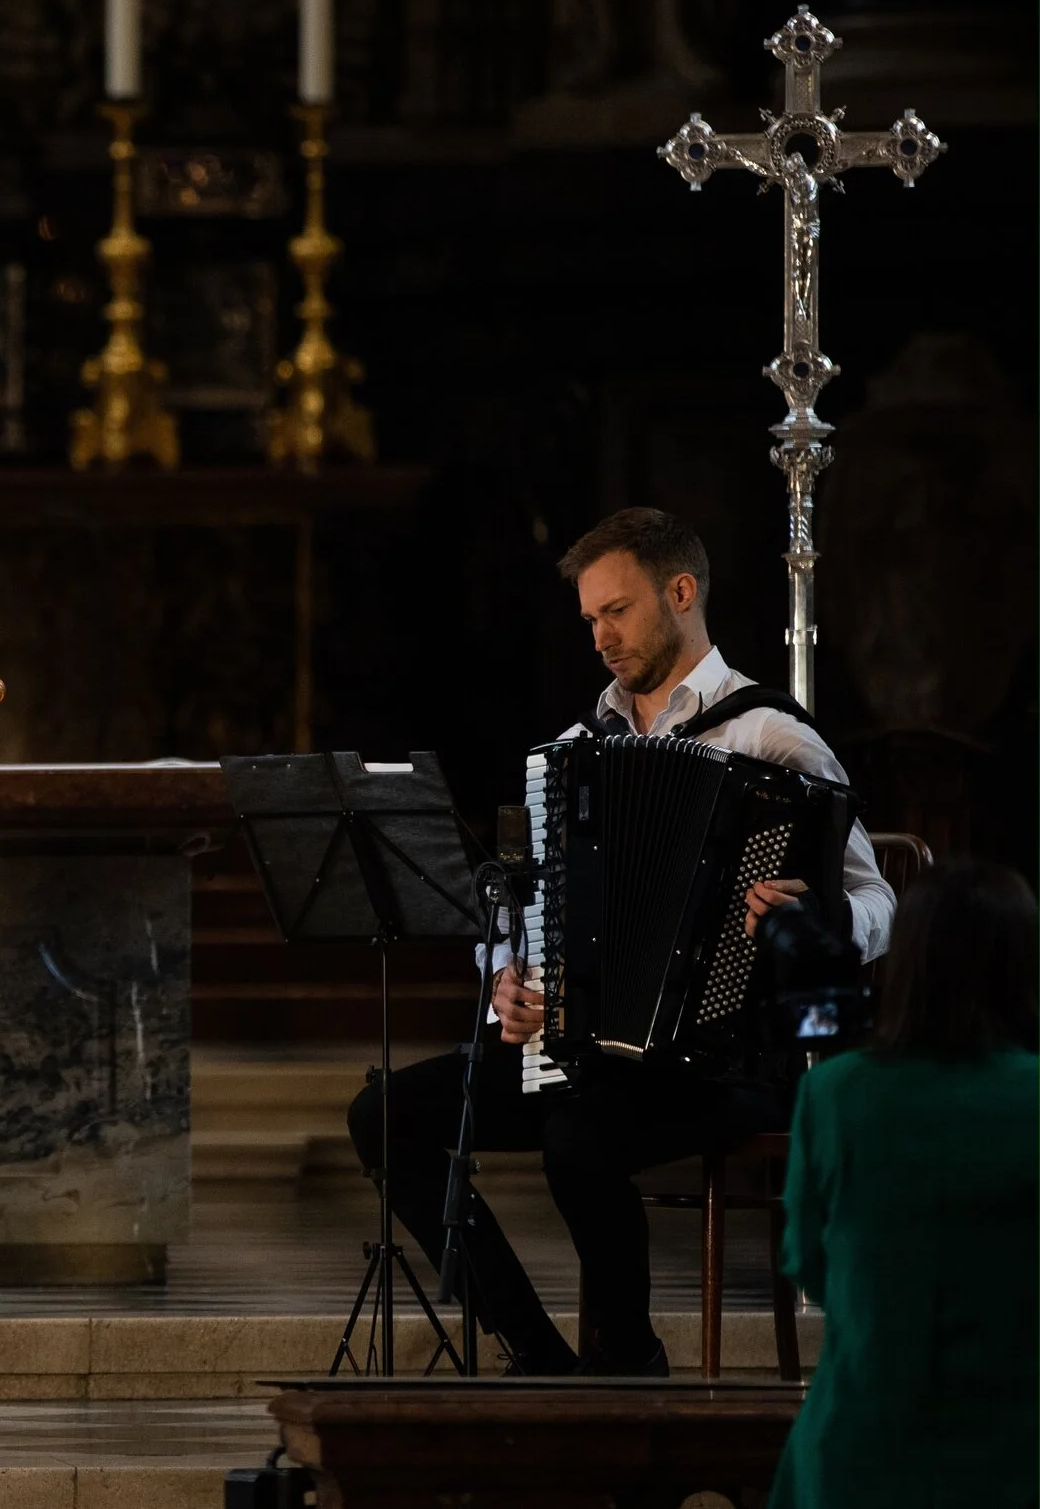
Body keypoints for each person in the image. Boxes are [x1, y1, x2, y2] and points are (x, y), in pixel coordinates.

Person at [346, 508, 897, 1375]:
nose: (600, 636)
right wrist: (505, 977)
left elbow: (878, 899)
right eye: (590, 618)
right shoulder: (573, 752)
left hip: (735, 1059)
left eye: (617, 611)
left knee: (579, 1136)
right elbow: (510, 911)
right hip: (589, 1052)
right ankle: (538, 1353)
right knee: (385, 1115)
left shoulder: (772, 736)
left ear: (680, 593)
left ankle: (627, 1365)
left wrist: (818, 918)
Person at [772, 861, 1037, 1509]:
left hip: (859, 1454)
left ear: (909, 962)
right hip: (1015, 1453)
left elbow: (807, 1263)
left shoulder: (832, 1092)